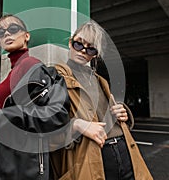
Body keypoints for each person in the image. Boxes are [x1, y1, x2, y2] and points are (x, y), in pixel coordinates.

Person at [0, 14, 70, 180]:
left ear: (26, 36)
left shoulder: (32, 67)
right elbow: (10, 108)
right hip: (6, 155)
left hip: (24, 161)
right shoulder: (13, 72)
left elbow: (56, 115)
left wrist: (1, 117)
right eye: (0, 33)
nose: (6, 34)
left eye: (13, 29)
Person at [51, 20, 153, 180]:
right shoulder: (56, 77)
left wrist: (123, 112)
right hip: (93, 160)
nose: (83, 51)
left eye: (90, 48)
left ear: (96, 54)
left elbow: (110, 115)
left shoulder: (100, 80)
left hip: (126, 154)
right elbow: (44, 129)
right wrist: (76, 125)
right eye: (79, 44)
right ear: (71, 43)